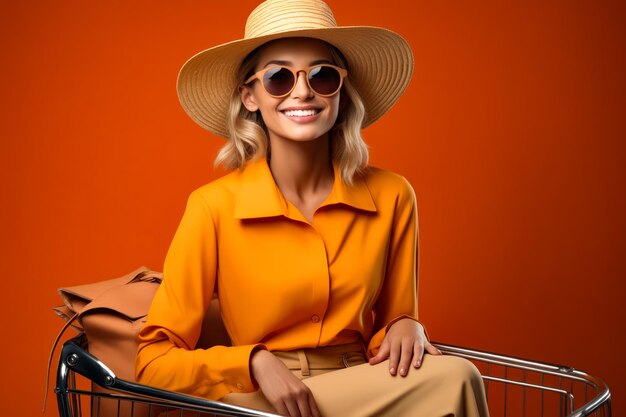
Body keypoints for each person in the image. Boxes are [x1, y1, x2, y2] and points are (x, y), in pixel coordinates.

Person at [136, 0, 490, 416]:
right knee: (457, 379)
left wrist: (406, 324)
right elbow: (152, 364)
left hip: (368, 389)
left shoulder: (393, 195)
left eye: (322, 76)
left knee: (452, 379)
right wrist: (251, 361)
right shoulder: (213, 206)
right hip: (265, 402)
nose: (302, 91)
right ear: (250, 96)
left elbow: (392, 326)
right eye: (278, 77)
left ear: (341, 91)